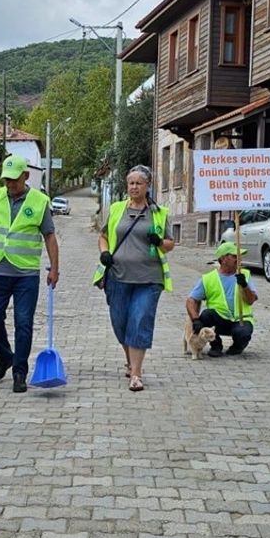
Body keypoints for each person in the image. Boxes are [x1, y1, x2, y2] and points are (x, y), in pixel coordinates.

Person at [0, 155, 61, 393]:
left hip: (26, 274)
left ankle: (19, 371)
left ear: (25, 176)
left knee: (23, 323)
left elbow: (50, 236)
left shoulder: (40, 201)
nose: (10, 184)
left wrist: (54, 268)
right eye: (6, 180)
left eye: (14, 179)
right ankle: (5, 356)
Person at [93, 165, 173, 391]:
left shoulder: (159, 213)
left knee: (139, 321)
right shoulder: (117, 208)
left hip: (149, 279)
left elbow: (170, 244)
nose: (134, 186)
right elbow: (103, 236)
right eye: (131, 183)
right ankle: (130, 360)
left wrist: (158, 241)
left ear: (148, 186)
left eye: (139, 183)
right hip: (118, 277)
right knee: (120, 324)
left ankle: (136, 374)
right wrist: (104, 252)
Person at [186, 243, 257, 357]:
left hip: (241, 320)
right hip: (219, 320)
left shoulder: (245, 275)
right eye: (235, 256)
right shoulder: (209, 278)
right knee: (205, 315)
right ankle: (216, 346)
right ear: (224, 259)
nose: (239, 259)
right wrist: (195, 320)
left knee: (243, 333)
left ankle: (237, 347)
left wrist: (244, 286)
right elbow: (191, 300)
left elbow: (251, 300)